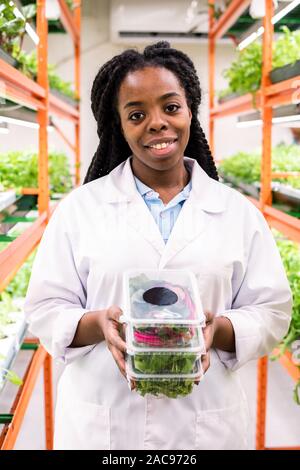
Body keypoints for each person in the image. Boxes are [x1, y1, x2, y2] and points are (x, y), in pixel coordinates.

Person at [24, 42, 292, 450]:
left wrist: (216, 330)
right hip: (105, 424)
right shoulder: (80, 210)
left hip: (205, 424)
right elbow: (45, 309)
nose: (156, 123)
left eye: (171, 107)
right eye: (137, 114)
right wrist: (100, 325)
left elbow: (272, 311)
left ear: (190, 112)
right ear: (120, 125)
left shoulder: (238, 213)